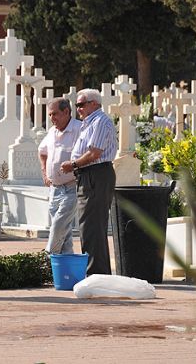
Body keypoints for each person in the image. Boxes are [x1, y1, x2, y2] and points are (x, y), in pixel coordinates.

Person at [60, 89, 117, 275]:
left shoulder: (100, 121)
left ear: (95, 103)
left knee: (92, 227)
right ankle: (95, 273)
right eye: (77, 105)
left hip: (96, 174)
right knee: (88, 226)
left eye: (81, 104)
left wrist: (73, 164)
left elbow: (94, 153)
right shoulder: (89, 123)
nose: (78, 109)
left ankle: (96, 274)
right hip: (89, 175)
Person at [38, 98, 82, 254]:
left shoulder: (80, 129)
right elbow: (42, 152)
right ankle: (65, 269)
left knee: (59, 225)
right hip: (55, 189)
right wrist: (45, 173)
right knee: (65, 232)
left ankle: (47, 257)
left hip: (72, 186)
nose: (52, 118)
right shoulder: (52, 131)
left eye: (55, 114)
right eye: (50, 115)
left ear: (66, 112)